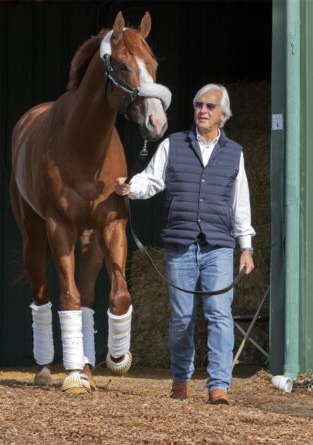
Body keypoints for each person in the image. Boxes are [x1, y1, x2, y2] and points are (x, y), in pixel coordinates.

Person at [115, 83, 255, 404]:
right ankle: (181, 377)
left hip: (218, 246)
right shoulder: (173, 144)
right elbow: (152, 179)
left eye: (209, 106)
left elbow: (240, 204)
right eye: (198, 104)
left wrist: (245, 247)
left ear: (223, 115)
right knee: (182, 319)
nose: (202, 110)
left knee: (220, 315)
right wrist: (130, 187)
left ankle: (219, 385)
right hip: (180, 245)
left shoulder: (235, 153)